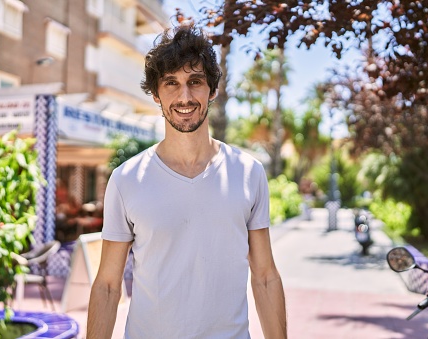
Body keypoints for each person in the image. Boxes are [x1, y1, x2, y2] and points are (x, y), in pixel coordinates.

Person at [87, 25, 287, 339]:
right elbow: (108, 286)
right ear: (155, 93)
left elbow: (264, 277)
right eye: (171, 83)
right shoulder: (126, 179)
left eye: (195, 82)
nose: (184, 96)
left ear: (212, 90)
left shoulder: (248, 172)